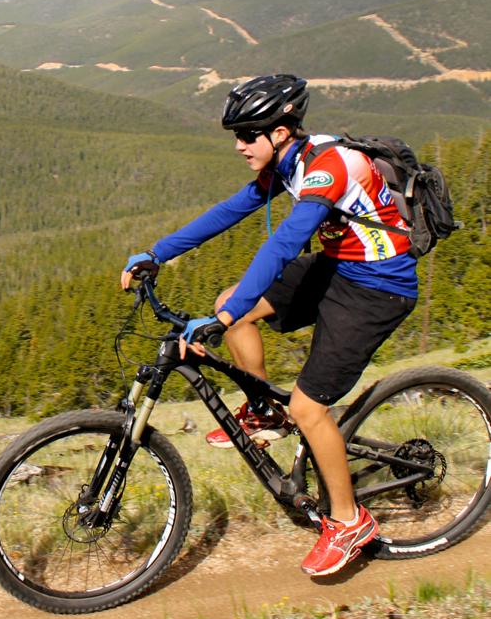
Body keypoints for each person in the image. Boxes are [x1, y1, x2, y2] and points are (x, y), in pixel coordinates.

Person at [121, 74, 417, 578]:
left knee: (308, 405)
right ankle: (264, 412)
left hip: (377, 287)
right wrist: (157, 254)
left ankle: (348, 522)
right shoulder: (289, 161)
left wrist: (224, 319)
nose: (238, 146)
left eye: (247, 135)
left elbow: (283, 244)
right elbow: (230, 211)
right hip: (338, 266)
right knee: (231, 301)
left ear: (280, 131)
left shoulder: (329, 167)